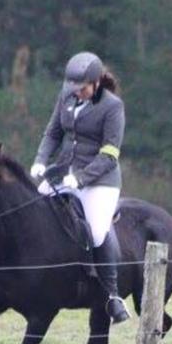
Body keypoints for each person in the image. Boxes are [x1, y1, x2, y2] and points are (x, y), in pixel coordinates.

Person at [31, 52, 130, 323]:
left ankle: (112, 296)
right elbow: (53, 133)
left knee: (96, 233)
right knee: (35, 208)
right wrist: (40, 160)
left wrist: (82, 178)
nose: (78, 92)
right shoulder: (66, 96)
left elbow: (110, 155)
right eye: (74, 88)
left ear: (96, 83)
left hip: (100, 180)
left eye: (83, 88)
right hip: (64, 173)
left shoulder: (113, 107)